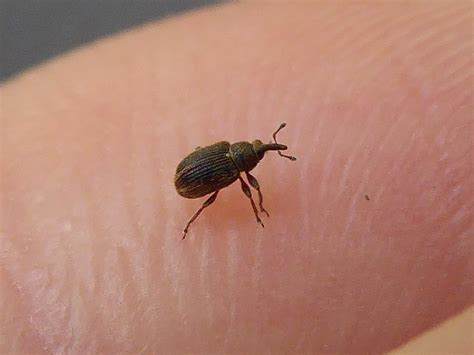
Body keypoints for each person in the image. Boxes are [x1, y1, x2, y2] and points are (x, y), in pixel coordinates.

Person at [1, 2, 472, 353]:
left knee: (226, 199)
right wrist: (255, 204)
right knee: (214, 204)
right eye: (264, 148)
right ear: (245, 160)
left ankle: (205, 220)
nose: (266, 150)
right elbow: (199, 176)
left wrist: (263, 175)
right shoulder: (231, 164)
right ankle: (195, 223)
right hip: (191, 179)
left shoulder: (235, 160)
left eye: (264, 149)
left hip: (194, 172)